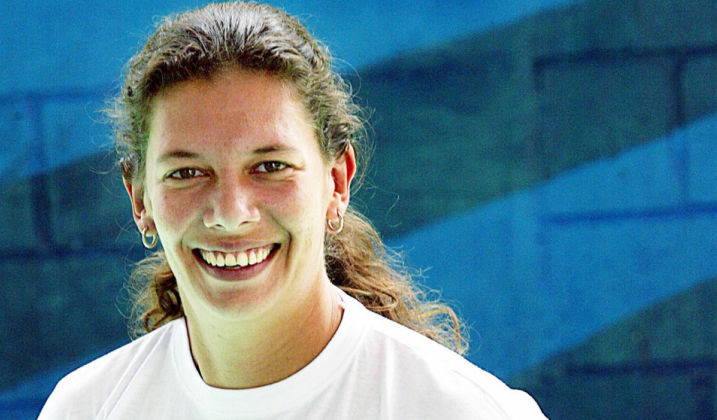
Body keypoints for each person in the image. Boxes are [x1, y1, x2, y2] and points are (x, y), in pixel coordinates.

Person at [38, 2, 547, 419]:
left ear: (336, 181)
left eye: (270, 166)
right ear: (139, 200)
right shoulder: (85, 409)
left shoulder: (465, 411)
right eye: (187, 173)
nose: (231, 213)